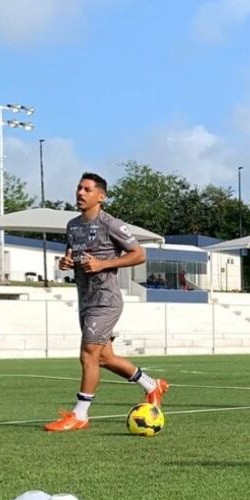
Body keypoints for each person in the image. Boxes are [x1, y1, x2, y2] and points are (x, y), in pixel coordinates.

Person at [45, 172, 169, 432]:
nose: (80, 193)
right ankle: (152, 385)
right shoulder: (72, 226)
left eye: (87, 189)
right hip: (85, 299)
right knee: (104, 357)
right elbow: (72, 255)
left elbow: (139, 254)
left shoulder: (111, 224)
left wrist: (103, 264)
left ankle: (80, 415)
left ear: (101, 197)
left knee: (88, 354)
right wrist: (66, 262)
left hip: (106, 300)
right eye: (79, 188)